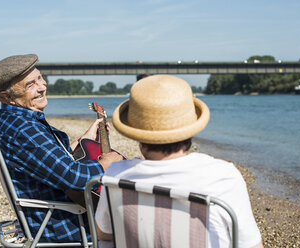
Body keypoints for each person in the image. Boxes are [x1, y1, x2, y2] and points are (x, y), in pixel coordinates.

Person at [94, 75, 263, 247]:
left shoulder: (116, 176)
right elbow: (252, 245)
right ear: (189, 130)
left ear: (137, 133)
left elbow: (104, 233)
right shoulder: (223, 178)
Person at [0, 54, 123, 242]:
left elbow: (47, 158)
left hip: (56, 211)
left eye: (40, 78)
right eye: (30, 85)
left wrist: (85, 139)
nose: (42, 87)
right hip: (63, 223)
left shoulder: (15, 120)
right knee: (138, 225)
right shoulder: (24, 130)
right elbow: (75, 177)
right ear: (7, 96)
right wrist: (107, 164)